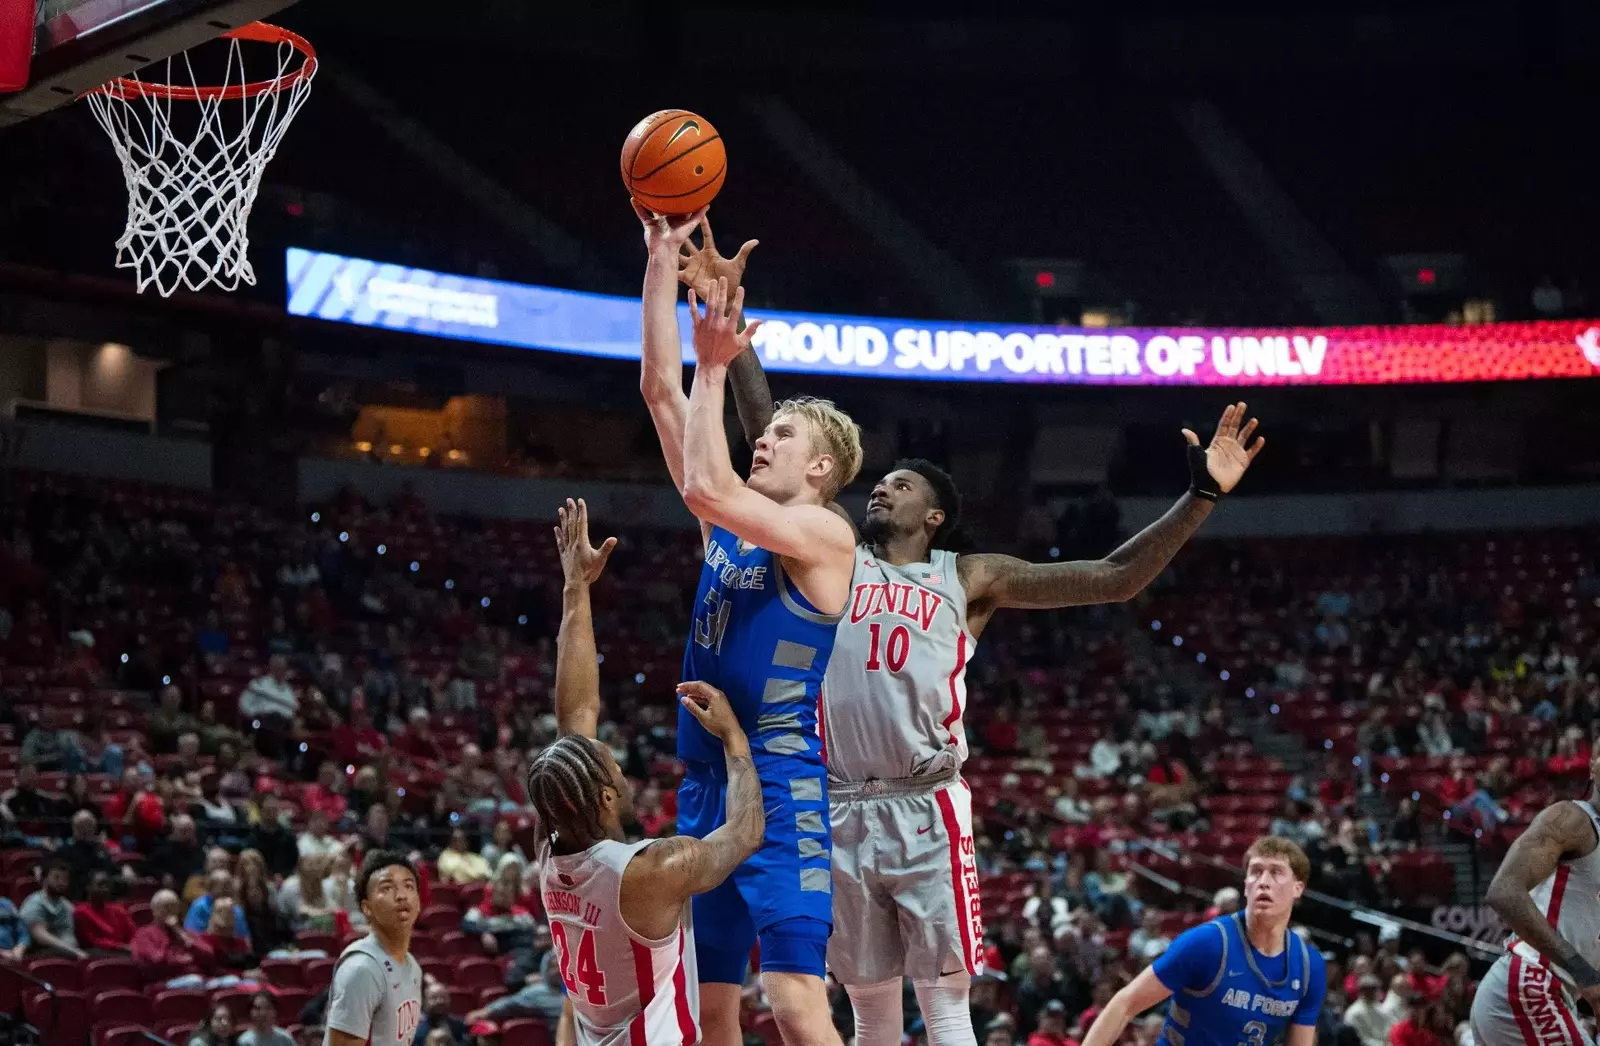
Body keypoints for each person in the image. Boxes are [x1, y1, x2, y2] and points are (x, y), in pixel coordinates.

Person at [711, 216, 1264, 1046]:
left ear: (933, 515)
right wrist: (734, 336)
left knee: (944, 1008)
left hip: (928, 800)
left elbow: (1115, 579)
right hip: (840, 802)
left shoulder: (969, 576)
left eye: (898, 485)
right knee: (868, 1012)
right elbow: (771, 442)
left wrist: (1201, 498)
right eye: (879, 482)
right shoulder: (829, 552)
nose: (881, 492)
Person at [637, 203, 860, 1046]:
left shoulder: (827, 537)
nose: (761, 443)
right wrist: (661, 260)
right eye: (761, 434)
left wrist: (716, 368)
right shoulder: (732, 526)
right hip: (702, 781)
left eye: (781, 436)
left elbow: (703, 483)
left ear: (822, 466)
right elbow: (660, 392)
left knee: (797, 1003)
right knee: (711, 1004)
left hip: (777, 785)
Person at [526, 499, 765, 1046]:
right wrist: (736, 741)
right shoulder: (654, 867)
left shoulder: (550, 850)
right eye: (617, 766)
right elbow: (748, 831)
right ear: (607, 796)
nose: (625, 770)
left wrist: (576, 589)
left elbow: (575, 717)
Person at [1079, 837, 1325, 1046]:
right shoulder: (1208, 944)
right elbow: (1125, 1003)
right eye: (1256, 872)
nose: (1263, 881)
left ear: (1298, 888)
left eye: (1276, 872)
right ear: (1245, 886)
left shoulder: (1308, 967)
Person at [1472, 748, 1600, 1046]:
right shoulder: (1572, 818)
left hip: (1548, 994)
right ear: (1593, 768)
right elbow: (1503, 891)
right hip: (1530, 983)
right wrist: (1585, 974)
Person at [324, 850, 423, 1046]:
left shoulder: (413, 967)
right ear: (367, 908)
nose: (402, 895)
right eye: (387, 888)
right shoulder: (362, 969)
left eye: (409, 886)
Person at [21, 858, 84, 958]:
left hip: (72, 953)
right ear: (45, 879)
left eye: (65, 879)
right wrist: (74, 951)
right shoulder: (35, 903)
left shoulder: (67, 905)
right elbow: (40, 936)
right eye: (56, 878)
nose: (61, 882)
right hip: (44, 954)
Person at [74, 869, 136, 951]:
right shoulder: (80, 912)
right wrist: (120, 947)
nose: (105, 889)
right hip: (99, 953)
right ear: (88, 887)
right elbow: (92, 941)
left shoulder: (118, 910)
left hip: (125, 952)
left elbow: (134, 933)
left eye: (107, 885)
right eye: (100, 885)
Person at [1346, 974, 1397, 1046]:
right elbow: (1362, 1040)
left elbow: (1391, 1028)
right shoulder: (1355, 1012)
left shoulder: (1379, 1006)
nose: (1374, 992)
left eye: (1375, 989)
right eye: (1369, 989)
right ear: (1361, 991)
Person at [413, 981, 469, 1046]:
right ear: (424, 1001)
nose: (440, 1001)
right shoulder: (415, 1027)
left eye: (443, 997)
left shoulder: (458, 1024)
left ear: (449, 1000)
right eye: (434, 998)